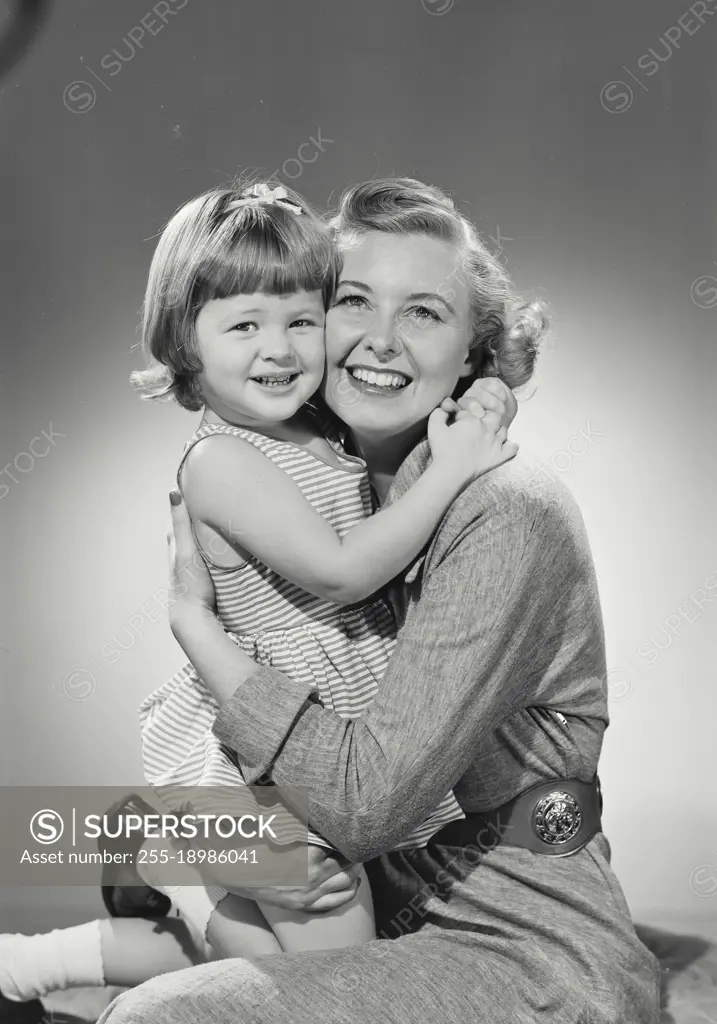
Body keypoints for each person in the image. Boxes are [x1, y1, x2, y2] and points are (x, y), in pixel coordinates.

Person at [96, 177, 663, 1023]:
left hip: (511, 927)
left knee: (161, 1012)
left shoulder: (501, 508)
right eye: (353, 300)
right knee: (116, 861)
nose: (378, 340)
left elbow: (362, 807)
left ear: (474, 347)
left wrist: (193, 627)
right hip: (381, 879)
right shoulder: (333, 461)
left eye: (424, 313)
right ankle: (149, 869)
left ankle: (158, 863)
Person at [0, 179, 517, 1021]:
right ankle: (182, 871)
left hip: (305, 748)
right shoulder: (223, 464)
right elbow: (342, 573)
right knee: (343, 978)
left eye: (300, 319)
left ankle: (153, 919)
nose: (278, 347)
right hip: (254, 776)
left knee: (294, 950)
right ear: (184, 342)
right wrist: (460, 465)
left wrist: (483, 397)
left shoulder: (318, 428)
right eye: (243, 324)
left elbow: (409, 417)